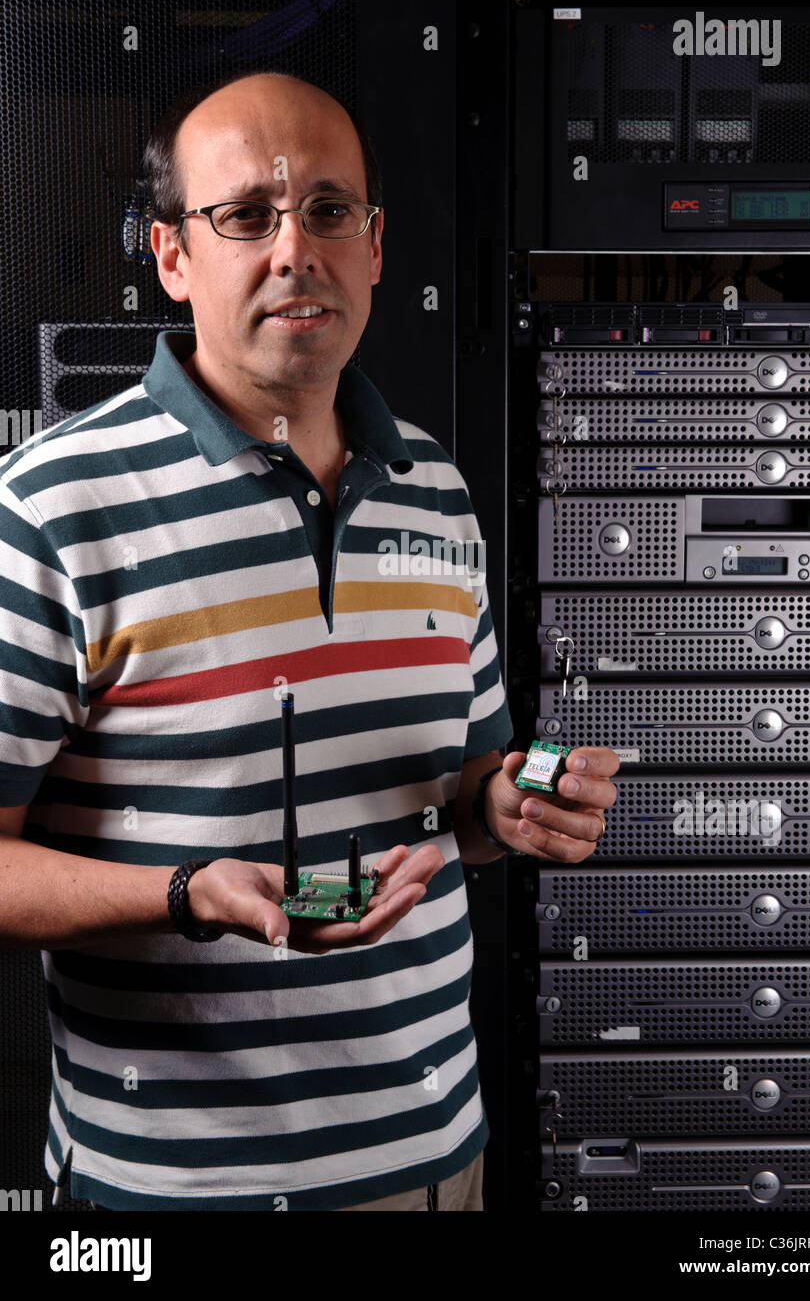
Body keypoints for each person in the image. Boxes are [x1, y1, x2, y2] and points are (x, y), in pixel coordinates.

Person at [0, 71, 618, 1211]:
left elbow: (459, 799)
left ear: (376, 246)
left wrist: (510, 805)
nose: (295, 251)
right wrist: (184, 891)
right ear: (173, 256)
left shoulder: (433, 484)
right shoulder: (48, 509)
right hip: (175, 1197)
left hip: (438, 1167)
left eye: (329, 211)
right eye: (246, 215)